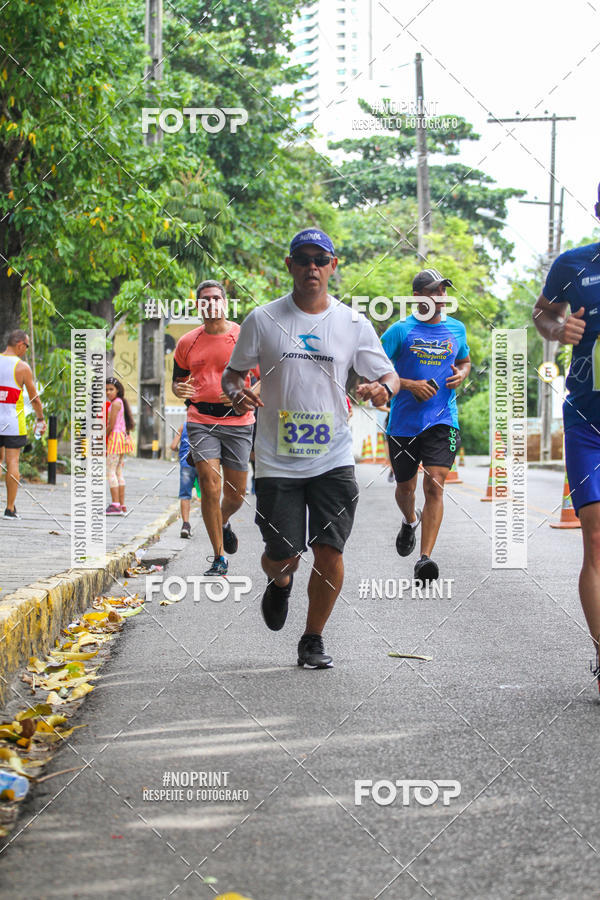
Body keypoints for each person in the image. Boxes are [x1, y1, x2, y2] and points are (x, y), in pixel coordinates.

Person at [222, 228, 399, 669]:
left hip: (333, 456)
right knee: (283, 556)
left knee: (330, 550)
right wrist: (236, 394)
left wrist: (382, 388)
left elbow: (388, 375)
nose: (312, 267)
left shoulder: (353, 323)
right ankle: (279, 583)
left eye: (321, 259)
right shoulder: (262, 319)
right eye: (303, 259)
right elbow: (232, 375)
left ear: (333, 266)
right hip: (276, 459)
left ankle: (313, 638)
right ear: (290, 266)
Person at [532, 183, 600, 684]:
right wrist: (558, 330)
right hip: (587, 422)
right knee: (595, 541)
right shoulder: (573, 264)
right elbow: (541, 314)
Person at [381, 268, 471, 583]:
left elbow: (464, 359)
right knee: (405, 488)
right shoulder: (399, 331)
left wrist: (462, 374)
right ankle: (409, 520)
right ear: (418, 297)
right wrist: (408, 384)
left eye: (443, 291)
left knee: (434, 483)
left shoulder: (457, 329)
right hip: (404, 423)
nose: (440, 297)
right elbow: (376, 370)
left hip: (443, 419)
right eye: (434, 292)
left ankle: (425, 559)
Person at [172, 280, 258, 576]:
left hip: (238, 422)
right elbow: (177, 381)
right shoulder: (187, 342)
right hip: (200, 421)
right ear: (198, 305)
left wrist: (243, 394)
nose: (210, 303)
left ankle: (223, 521)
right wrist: (179, 389)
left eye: (215, 298)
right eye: (204, 299)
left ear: (224, 302)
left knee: (236, 494)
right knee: (210, 485)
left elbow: (263, 377)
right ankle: (219, 556)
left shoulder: (242, 336)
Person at [0, 329, 45, 518]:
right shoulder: (22, 367)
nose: (26, 350)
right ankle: (10, 508)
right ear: (20, 344)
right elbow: (34, 398)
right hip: (13, 423)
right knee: (12, 462)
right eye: (26, 346)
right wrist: (40, 418)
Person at [105, 377, 135, 515]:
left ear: (118, 390)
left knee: (110, 471)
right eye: (106, 390)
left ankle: (115, 504)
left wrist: (101, 438)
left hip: (115, 438)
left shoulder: (115, 404)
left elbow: (111, 425)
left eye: (111, 389)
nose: (108, 392)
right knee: (118, 471)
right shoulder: (120, 402)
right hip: (122, 438)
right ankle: (122, 505)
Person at [170, 421, 201, 538]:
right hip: (202, 463)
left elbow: (173, 446)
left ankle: (186, 525)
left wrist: (180, 451)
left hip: (186, 464)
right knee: (205, 492)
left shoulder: (183, 426)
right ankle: (211, 522)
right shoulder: (205, 423)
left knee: (185, 495)